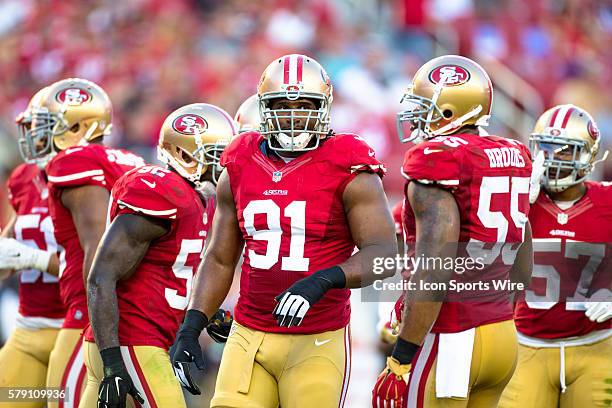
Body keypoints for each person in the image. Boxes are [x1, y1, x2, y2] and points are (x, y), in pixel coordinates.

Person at [171, 54, 397, 407]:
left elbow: (384, 257)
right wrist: (191, 324)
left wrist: (323, 280)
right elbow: (219, 257)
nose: (293, 117)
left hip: (317, 339)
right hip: (248, 333)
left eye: (304, 105)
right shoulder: (240, 159)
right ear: (264, 108)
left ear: (324, 107)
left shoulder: (349, 162)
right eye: (282, 106)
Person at [373, 55, 534, 408]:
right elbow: (524, 248)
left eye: (425, 107)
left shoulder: (438, 158)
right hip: (501, 335)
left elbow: (435, 267)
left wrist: (402, 355)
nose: (416, 116)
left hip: (451, 340)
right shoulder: (512, 152)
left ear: (449, 111)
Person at [80, 103, 236, 408]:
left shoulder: (194, 199)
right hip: (131, 343)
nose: (224, 165)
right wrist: (113, 363)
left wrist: (205, 314)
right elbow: (101, 277)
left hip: (137, 343)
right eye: (217, 155)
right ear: (185, 154)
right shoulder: (161, 190)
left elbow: (167, 272)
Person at [21, 77, 145, 408]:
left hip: (90, 318)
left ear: (76, 127)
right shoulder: (128, 162)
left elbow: (97, 247)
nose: (38, 136)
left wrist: (99, 322)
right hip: (136, 312)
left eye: (47, 126)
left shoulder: (74, 164)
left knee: (63, 402)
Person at [499, 104, 611, 408]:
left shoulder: (607, 201)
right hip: (527, 346)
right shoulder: (517, 199)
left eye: (564, 151)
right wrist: (516, 206)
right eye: (544, 148)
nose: (550, 160)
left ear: (587, 155)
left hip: (595, 347)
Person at [0, 87, 65, 408]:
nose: (34, 135)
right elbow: (9, 248)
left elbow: (97, 265)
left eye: (43, 126)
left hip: (75, 329)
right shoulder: (24, 177)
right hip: (29, 326)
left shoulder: (91, 181)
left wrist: (33, 258)